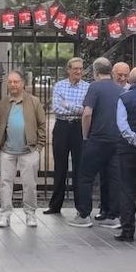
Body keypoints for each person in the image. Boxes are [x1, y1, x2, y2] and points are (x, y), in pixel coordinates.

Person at [68, 58, 123, 229]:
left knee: (85, 176)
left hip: (97, 139)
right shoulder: (119, 89)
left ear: (95, 71)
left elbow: (87, 113)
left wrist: (85, 135)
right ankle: (113, 216)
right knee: (114, 178)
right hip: (116, 140)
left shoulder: (94, 87)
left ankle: (84, 215)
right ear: (111, 71)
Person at [0, 70, 46, 228]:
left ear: (22, 83)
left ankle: (30, 214)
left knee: (29, 184)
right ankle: (5, 214)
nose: (13, 85)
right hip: (7, 151)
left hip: (29, 151)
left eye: (16, 81)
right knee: (5, 183)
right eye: (10, 82)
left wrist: (39, 147)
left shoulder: (34, 102)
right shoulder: (4, 103)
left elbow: (42, 125)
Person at [45, 57, 89, 215]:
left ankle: (81, 207)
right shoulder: (59, 85)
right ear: (68, 69)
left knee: (80, 168)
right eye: (75, 68)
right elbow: (56, 108)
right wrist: (76, 108)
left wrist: (68, 105)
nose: (78, 71)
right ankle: (55, 206)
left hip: (79, 128)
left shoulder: (87, 87)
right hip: (62, 127)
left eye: (80, 68)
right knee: (60, 167)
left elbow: (85, 110)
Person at [96, 61, 131, 221]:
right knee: (103, 175)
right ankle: (104, 208)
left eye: (125, 75)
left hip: (122, 141)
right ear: (112, 74)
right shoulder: (107, 89)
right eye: (120, 75)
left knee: (116, 177)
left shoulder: (130, 91)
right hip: (104, 138)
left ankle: (114, 211)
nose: (123, 78)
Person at [115, 67, 136, 242]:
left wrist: (135, 140)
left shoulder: (124, 98)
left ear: (130, 81)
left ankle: (128, 230)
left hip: (128, 150)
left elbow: (122, 126)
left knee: (127, 189)